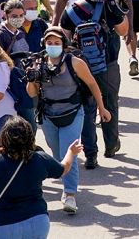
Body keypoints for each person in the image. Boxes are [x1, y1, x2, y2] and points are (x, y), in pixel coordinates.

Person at [27, 27, 111, 215]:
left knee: (69, 152)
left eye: (57, 43)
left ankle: (70, 194)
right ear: (44, 44)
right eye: (49, 43)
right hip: (48, 115)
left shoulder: (75, 62)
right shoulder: (38, 63)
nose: (53, 46)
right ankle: (67, 183)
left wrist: (102, 107)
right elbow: (32, 93)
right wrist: (32, 78)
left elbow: (92, 83)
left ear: (64, 45)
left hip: (73, 112)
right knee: (58, 155)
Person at [58, 0, 129, 168]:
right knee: (110, 104)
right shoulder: (106, 5)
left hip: (82, 68)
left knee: (87, 110)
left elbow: (66, 40)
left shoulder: (71, 11)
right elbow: (123, 31)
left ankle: (91, 154)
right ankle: (111, 145)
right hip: (108, 64)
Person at [0, 116, 83, 237]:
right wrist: (71, 152)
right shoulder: (39, 158)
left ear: (3, 137)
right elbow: (64, 168)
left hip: (2, 225)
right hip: (37, 221)